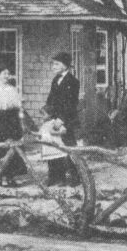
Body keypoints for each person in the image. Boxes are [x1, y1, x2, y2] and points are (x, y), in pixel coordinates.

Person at [44, 52, 80, 186]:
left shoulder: (73, 82)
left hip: (67, 120)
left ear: (65, 66)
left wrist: (62, 119)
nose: (53, 66)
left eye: (56, 64)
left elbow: (71, 104)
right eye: (53, 64)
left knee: (69, 147)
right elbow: (50, 99)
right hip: (54, 118)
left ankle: (76, 176)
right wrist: (46, 112)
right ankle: (56, 176)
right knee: (52, 146)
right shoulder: (55, 80)